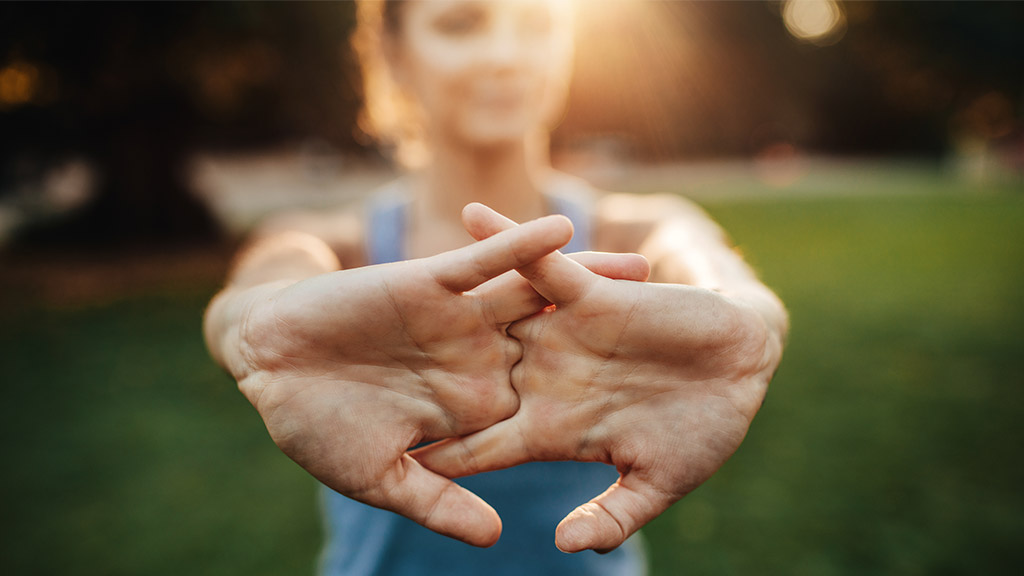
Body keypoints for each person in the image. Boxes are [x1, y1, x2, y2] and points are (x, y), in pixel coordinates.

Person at [202, 1, 788, 574]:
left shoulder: (638, 229)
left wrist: (750, 323)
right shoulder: (332, 243)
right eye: (461, 23)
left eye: (537, 23)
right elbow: (259, 293)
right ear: (393, 53)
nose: (507, 56)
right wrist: (252, 330)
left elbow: (716, 277)